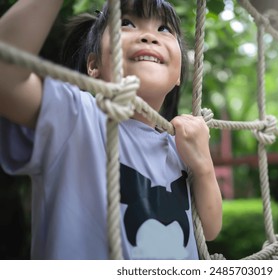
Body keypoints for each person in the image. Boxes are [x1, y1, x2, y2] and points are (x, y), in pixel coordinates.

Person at [0, 0, 222, 260]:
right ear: (93, 65)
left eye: (163, 29)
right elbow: (6, 76)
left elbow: (210, 229)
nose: (149, 36)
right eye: (126, 23)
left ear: (178, 75)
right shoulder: (76, 118)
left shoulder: (180, 144)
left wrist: (203, 166)